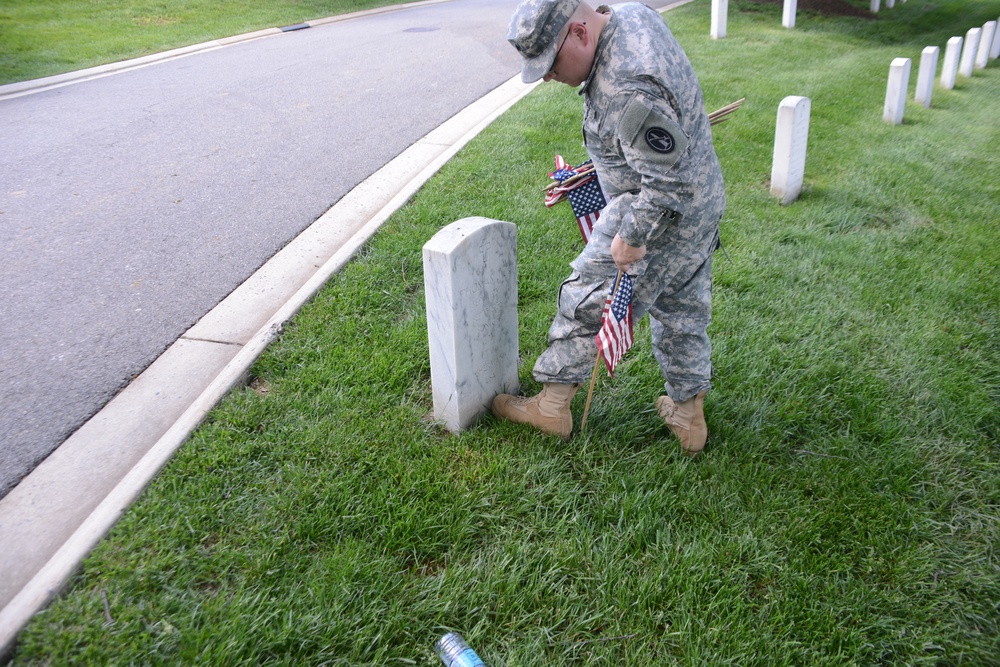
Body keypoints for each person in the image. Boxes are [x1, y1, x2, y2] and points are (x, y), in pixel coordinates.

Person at [493, 0, 726, 455]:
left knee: (588, 299)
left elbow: (665, 181)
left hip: (654, 212)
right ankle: (688, 417)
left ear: (580, 33)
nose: (545, 77)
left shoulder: (626, 86)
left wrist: (631, 236)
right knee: (682, 309)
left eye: (550, 63)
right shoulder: (631, 16)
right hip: (701, 205)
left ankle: (552, 407)